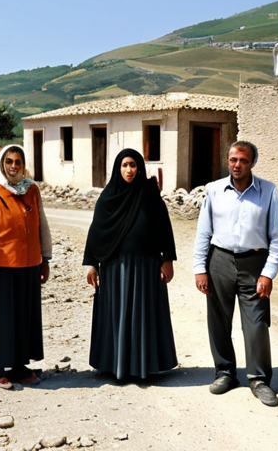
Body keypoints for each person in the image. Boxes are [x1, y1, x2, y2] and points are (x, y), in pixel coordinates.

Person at [193, 141, 278, 407]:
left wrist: (268, 273)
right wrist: (200, 268)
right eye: (233, 159)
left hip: (255, 262)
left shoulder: (268, 191)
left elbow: (277, 237)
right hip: (219, 260)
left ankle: (259, 379)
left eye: (243, 160)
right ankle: (225, 372)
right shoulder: (214, 190)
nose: (237, 165)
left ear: (252, 163)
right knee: (219, 320)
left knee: (256, 324)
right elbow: (203, 232)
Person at [83, 148, 178, 381]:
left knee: (142, 314)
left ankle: (143, 366)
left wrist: (167, 260)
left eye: (133, 165)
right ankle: (115, 365)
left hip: (146, 265)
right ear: (118, 168)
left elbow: (164, 227)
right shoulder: (108, 196)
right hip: (115, 267)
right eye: (124, 165)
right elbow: (96, 232)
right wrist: (91, 264)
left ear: (139, 168)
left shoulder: (149, 194)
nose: (129, 170)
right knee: (117, 314)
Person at [0, 145, 52, 390]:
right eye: (9, 161)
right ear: (1, 164)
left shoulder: (32, 190)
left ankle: (20, 367)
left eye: (18, 161)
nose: (14, 166)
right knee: (2, 320)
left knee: (23, 318)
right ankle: (0, 370)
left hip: (28, 266)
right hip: (1, 269)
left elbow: (42, 226)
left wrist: (45, 258)